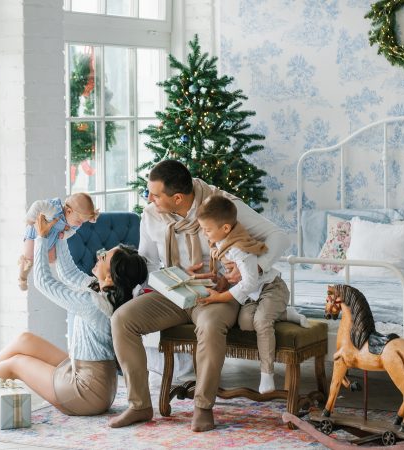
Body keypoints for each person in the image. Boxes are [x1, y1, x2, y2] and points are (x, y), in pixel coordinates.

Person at [107, 160, 289, 432]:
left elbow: (279, 236)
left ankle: (203, 406)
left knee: (210, 325)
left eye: (155, 194)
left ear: (177, 198)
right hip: (175, 291)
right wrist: (177, 272)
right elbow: (149, 263)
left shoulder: (221, 206)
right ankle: (139, 405)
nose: (149, 199)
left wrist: (256, 268)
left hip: (215, 292)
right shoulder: (151, 215)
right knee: (122, 319)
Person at [0, 214, 148, 416]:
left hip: (85, 393)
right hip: (92, 380)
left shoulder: (93, 303)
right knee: (25, 340)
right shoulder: (104, 292)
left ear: (109, 276)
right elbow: (68, 273)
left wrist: (41, 239)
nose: (99, 255)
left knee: (16, 363)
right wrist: (61, 236)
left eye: (104, 257)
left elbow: (44, 283)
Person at [196, 195, 308, 394]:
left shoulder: (240, 249)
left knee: (262, 321)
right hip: (252, 294)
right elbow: (236, 278)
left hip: (271, 288)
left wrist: (221, 297)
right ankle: (286, 314)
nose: (205, 234)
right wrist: (220, 280)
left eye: (207, 230)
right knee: (246, 323)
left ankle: (267, 374)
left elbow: (249, 281)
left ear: (225, 229)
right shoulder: (221, 244)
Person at [17, 193, 99, 290]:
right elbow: (37, 205)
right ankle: (22, 278)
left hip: (50, 239)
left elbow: (72, 231)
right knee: (29, 258)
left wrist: (65, 235)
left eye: (82, 222)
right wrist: (30, 219)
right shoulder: (53, 210)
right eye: (79, 221)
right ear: (68, 211)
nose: (80, 224)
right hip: (35, 235)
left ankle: (39, 258)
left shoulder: (75, 219)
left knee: (52, 258)